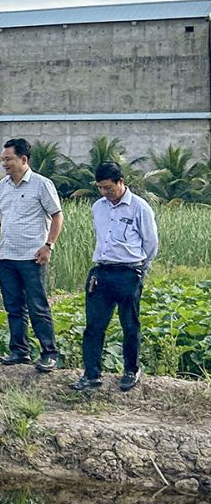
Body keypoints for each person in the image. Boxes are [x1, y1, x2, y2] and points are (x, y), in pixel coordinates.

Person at [71, 162, 158, 392]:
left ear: (121, 182)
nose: (104, 192)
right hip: (102, 272)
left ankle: (131, 370)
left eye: (108, 187)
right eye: (100, 188)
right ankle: (91, 374)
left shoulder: (139, 207)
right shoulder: (98, 207)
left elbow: (151, 244)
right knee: (94, 326)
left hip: (129, 272)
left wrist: (140, 271)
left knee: (129, 324)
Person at [0, 138, 63, 372]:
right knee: (13, 307)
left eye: (8, 159)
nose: (5, 164)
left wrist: (48, 245)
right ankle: (19, 350)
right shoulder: (2, 186)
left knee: (37, 305)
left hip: (32, 257)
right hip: (7, 256)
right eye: (3, 160)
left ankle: (50, 353)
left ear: (23, 159)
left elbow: (57, 216)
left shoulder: (41, 184)